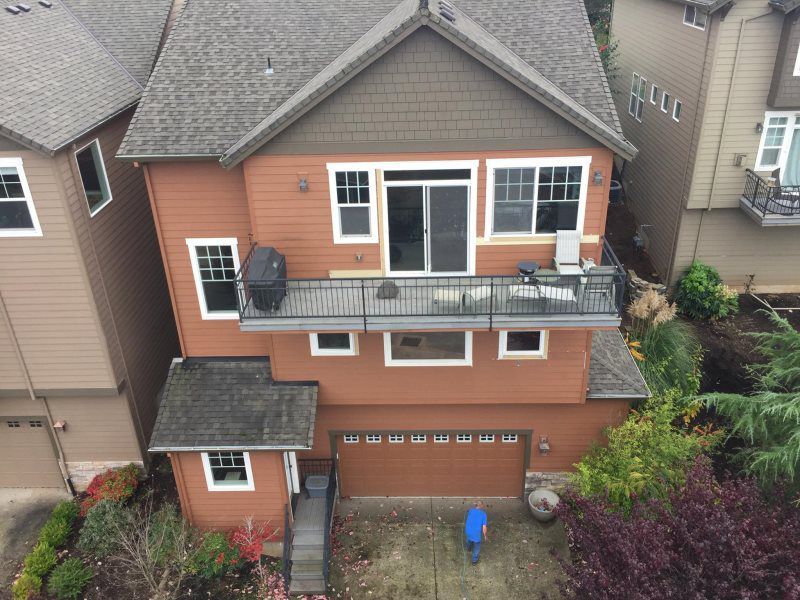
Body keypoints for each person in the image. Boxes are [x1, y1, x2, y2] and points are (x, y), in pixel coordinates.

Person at [464, 501, 488, 565]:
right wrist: (485, 535)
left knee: (468, 540)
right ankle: (474, 560)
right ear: (482, 506)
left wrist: (475, 505)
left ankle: (468, 548)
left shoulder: (471, 510)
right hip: (476, 534)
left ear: (476, 505)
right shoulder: (483, 514)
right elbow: (484, 527)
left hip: (468, 531)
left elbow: (470, 510)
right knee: (477, 548)